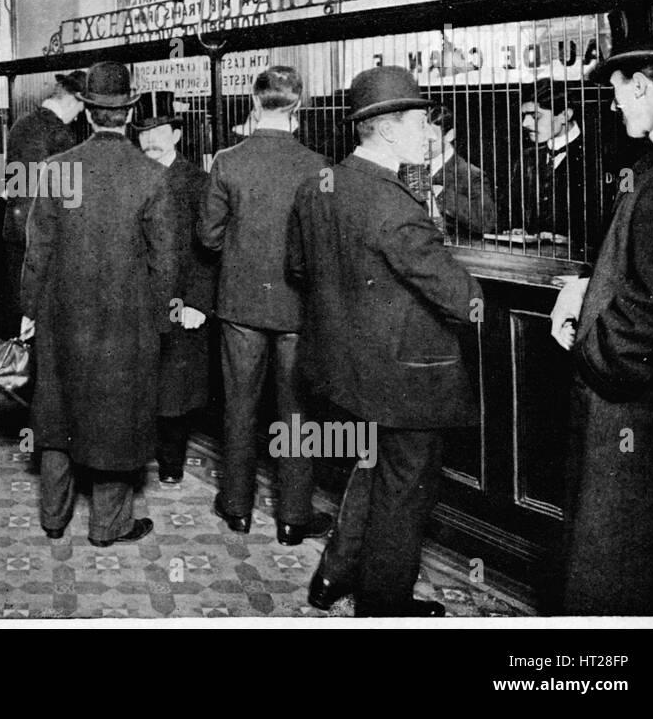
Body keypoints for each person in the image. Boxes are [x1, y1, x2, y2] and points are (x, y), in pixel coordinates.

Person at [287, 66, 481, 616]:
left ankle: (334, 575)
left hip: (344, 370)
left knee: (372, 468)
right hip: (403, 378)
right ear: (392, 129)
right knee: (404, 489)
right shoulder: (395, 207)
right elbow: (462, 300)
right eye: (422, 122)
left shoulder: (317, 186)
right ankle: (384, 604)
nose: (428, 132)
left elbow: (299, 269)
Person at [21, 62, 179, 546]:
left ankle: (53, 517)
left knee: (57, 413)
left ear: (86, 114)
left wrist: (29, 312)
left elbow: (37, 253)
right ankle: (109, 526)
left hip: (62, 317)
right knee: (116, 418)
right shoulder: (152, 176)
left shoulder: (55, 171)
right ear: (129, 114)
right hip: (125, 323)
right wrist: (159, 323)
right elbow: (165, 264)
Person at [550, 3, 653, 615]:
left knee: (611, 554)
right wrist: (586, 283)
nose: (616, 107)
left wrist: (590, 346)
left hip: (629, 406)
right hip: (632, 404)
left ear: (643, 85)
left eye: (620, 94)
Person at [198, 65, 332, 543]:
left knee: (239, 405)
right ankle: (294, 518)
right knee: (297, 412)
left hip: (240, 306)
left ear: (254, 104)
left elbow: (208, 238)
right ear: (299, 106)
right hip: (298, 310)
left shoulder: (226, 161)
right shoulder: (318, 166)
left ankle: (236, 507)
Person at [132, 90, 216, 486]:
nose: (149, 140)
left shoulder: (199, 183)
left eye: (158, 131)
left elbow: (209, 248)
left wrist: (198, 300)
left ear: (177, 134)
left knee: (174, 387)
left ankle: (170, 463)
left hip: (180, 298)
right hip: (134, 297)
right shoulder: (127, 177)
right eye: (143, 132)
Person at [1, 71, 86, 331]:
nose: (80, 116)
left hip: (15, 226)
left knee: (20, 299)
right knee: (47, 306)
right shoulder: (61, 135)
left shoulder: (20, 125)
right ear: (73, 101)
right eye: (81, 109)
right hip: (44, 230)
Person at [509, 78, 603, 251]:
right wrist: (517, 229)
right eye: (524, 116)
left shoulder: (601, 157)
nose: (525, 124)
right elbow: (510, 211)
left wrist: (574, 242)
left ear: (565, 115)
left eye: (535, 116)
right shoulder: (526, 158)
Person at [425, 104, 497, 238]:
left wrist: (443, 195)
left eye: (429, 139)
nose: (421, 142)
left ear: (450, 135)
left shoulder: (471, 175)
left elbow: (486, 223)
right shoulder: (406, 167)